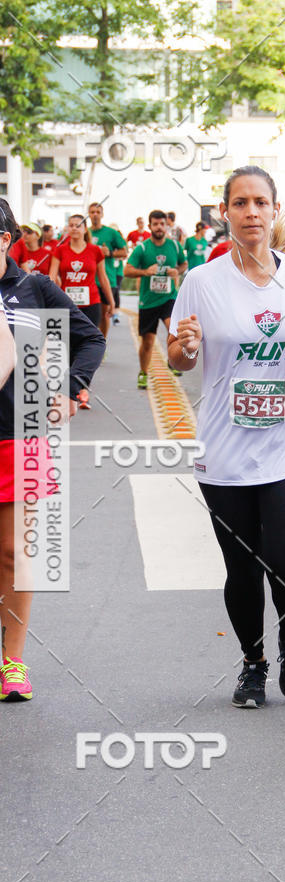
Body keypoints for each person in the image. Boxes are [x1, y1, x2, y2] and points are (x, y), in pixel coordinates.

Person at [167, 165, 285, 709]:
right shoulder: (202, 281)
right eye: (240, 203)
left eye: (260, 202)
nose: (251, 212)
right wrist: (187, 347)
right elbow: (178, 357)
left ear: (274, 210)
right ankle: (253, 662)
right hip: (225, 448)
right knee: (241, 567)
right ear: (226, 213)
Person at [0, 198, 105, 702]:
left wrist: (70, 388)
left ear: (5, 240)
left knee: (14, 554)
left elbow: (89, 338)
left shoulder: (33, 288)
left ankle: (12, 661)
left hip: (21, 433)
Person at [50, 214, 114, 409]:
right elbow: (51, 277)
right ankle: (70, 391)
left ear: (85, 229)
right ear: (67, 229)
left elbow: (103, 278)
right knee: (67, 347)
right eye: (71, 225)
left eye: (78, 225)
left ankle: (82, 392)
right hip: (67, 305)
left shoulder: (95, 251)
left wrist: (111, 300)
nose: (74, 228)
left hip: (91, 303)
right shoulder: (60, 250)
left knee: (87, 348)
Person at [124, 210, 187, 389]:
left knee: (173, 329)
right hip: (148, 301)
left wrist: (177, 271)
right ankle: (143, 372)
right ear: (150, 226)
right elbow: (127, 270)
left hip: (169, 297)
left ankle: (172, 361)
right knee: (148, 342)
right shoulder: (143, 248)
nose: (159, 227)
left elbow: (183, 264)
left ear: (166, 225)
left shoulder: (174, 246)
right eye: (155, 224)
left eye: (162, 224)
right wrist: (145, 272)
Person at [88, 202, 127, 339]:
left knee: (104, 314)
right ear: (88, 214)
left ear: (102, 214)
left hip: (106, 279)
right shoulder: (85, 233)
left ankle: (101, 342)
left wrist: (109, 253)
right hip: (88, 280)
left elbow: (124, 252)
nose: (95, 215)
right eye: (92, 212)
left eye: (98, 212)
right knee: (90, 316)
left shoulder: (111, 233)